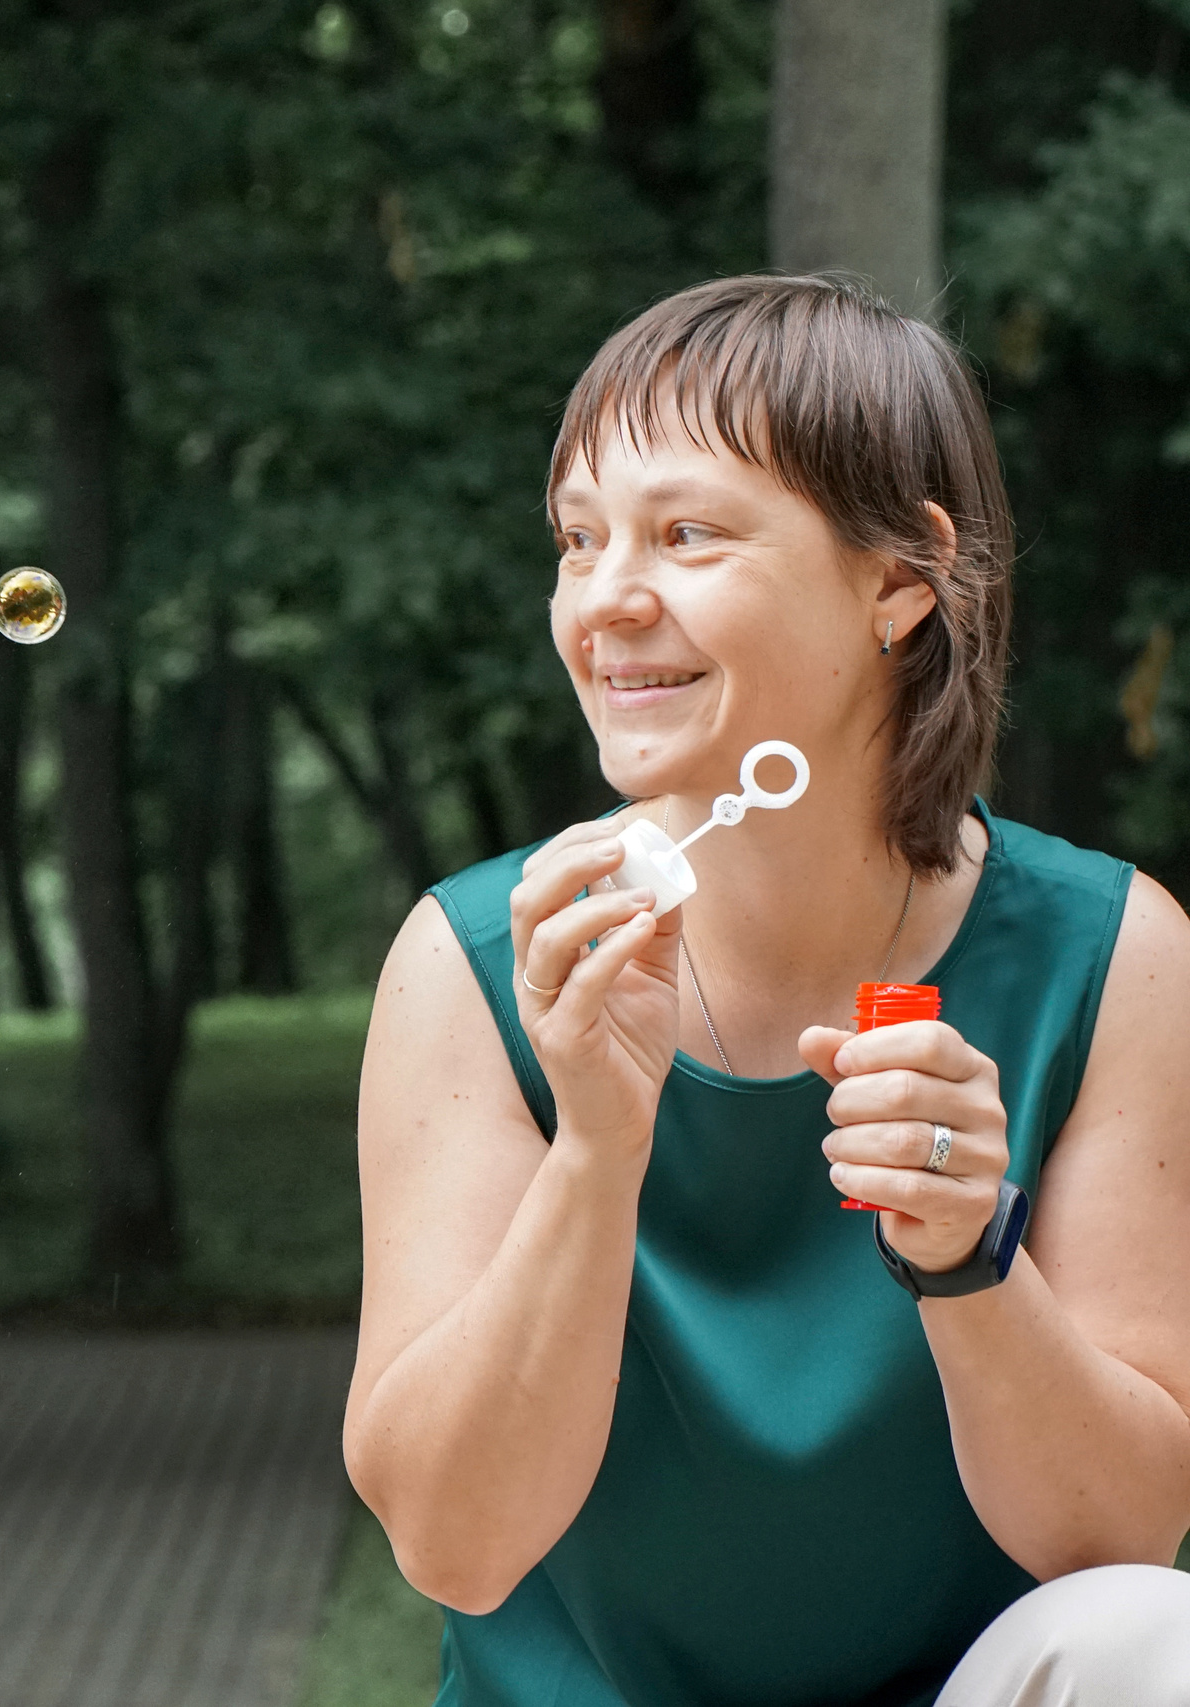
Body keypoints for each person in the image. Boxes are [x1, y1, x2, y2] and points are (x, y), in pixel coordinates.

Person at [344, 275, 1190, 1706]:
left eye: (686, 533)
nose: (606, 600)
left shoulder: (1112, 954)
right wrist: (601, 1147)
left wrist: (967, 1254)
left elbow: (1119, 1546)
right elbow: (456, 1542)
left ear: (900, 578)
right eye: (576, 538)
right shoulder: (476, 963)